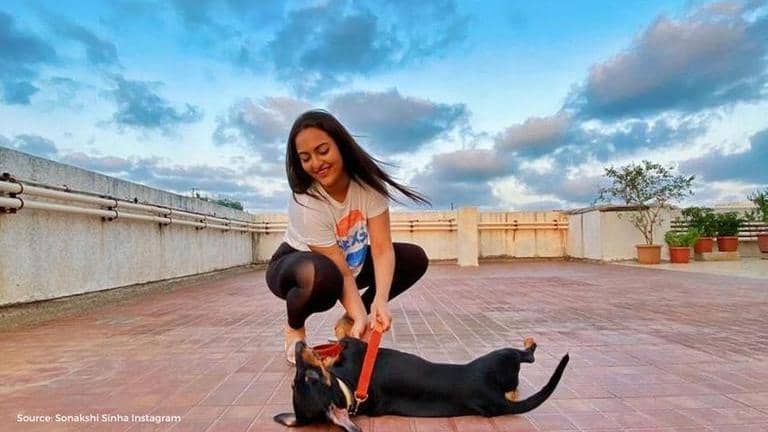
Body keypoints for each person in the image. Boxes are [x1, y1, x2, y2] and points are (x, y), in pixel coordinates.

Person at [266, 110, 430, 364]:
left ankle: (349, 321)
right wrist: (360, 314)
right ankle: (294, 328)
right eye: (305, 158)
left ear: (341, 145)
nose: (316, 163)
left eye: (323, 151)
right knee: (321, 273)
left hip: (350, 261)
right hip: (297, 266)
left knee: (413, 258)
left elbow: (382, 249)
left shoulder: (369, 188)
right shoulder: (306, 201)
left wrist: (379, 302)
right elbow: (340, 272)